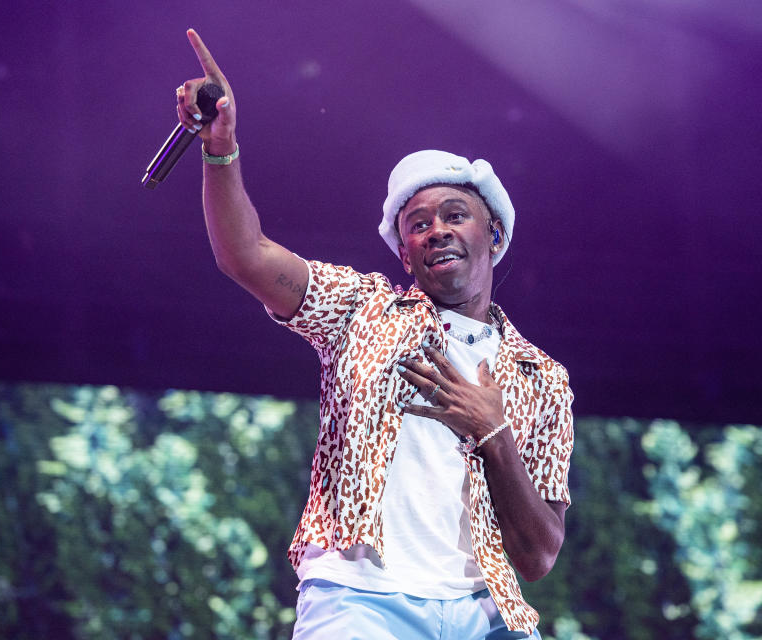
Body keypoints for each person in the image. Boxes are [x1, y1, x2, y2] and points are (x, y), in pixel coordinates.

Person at [176, 29, 574, 640]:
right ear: (406, 255)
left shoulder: (541, 378)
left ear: (491, 234)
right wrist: (220, 149)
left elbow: (539, 557)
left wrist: (494, 432)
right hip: (360, 600)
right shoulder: (362, 310)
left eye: (454, 215)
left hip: (485, 611)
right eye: (418, 224)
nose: (437, 229)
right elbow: (246, 256)